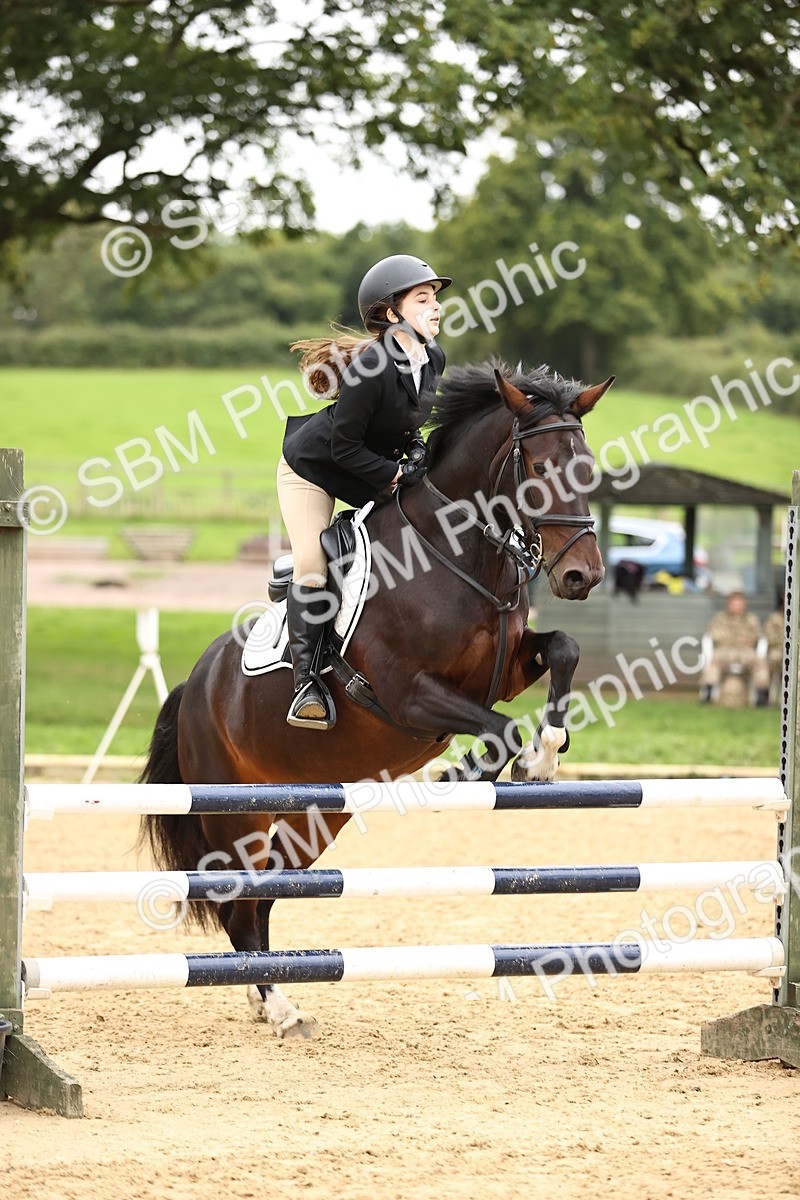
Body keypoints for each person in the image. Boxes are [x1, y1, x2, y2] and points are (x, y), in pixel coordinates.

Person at [276, 254, 451, 729]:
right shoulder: (370, 368)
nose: (436, 307)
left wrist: (415, 452)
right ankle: (306, 683)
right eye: (423, 299)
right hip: (312, 471)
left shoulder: (432, 357)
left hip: (364, 469)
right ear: (392, 314)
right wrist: (394, 476)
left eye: (435, 298)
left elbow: (411, 423)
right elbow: (343, 445)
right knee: (313, 567)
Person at [699, 590, 766, 705]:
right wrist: (739, 639)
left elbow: (755, 636)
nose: (738, 606)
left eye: (740, 603)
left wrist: (739, 639)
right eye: (735, 603)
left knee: (759, 663)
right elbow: (715, 635)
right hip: (725, 651)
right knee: (714, 661)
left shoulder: (751, 619)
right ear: (729, 604)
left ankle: (761, 693)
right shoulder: (719, 618)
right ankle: (708, 691)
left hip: (745, 652)